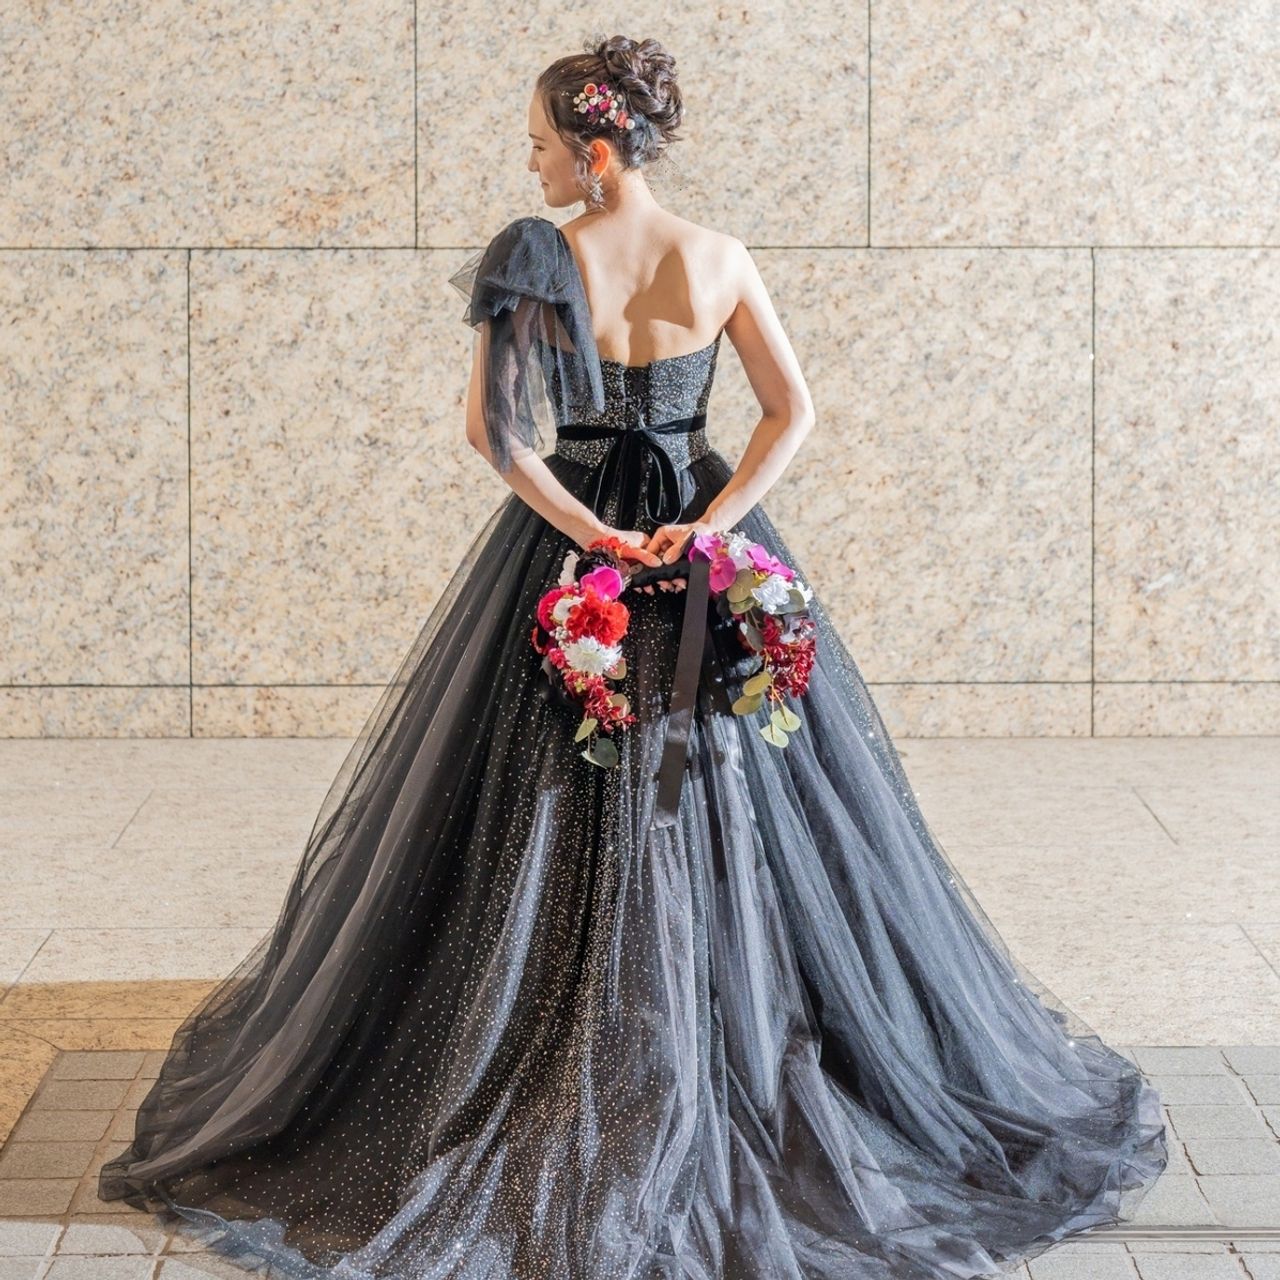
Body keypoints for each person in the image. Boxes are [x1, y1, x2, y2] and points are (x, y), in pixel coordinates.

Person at [99, 33, 1168, 1280]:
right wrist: (709, 527)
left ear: (595, 150)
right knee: (728, 770)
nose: (532, 164)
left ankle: (556, 1035)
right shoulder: (717, 256)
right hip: (701, 533)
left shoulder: (534, 257)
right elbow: (791, 410)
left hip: (583, 539)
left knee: (544, 780)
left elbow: (495, 433)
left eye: (541, 144)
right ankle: (722, 1022)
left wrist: (593, 536)